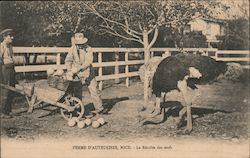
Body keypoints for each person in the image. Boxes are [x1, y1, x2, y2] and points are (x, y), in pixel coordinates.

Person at [65, 33, 104, 113]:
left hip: (89, 72)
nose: (80, 45)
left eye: (82, 43)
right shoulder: (72, 49)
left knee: (94, 89)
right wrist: (69, 71)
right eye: (78, 44)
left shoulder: (88, 49)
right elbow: (68, 60)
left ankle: (99, 108)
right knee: (77, 91)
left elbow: (88, 62)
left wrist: (80, 68)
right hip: (77, 74)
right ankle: (78, 107)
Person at [0, 29, 15, 119]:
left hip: (11, 69)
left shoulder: (10, 46)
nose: (12, 37)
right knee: (5, 90)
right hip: (4, 69)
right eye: (10, 36)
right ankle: (2, 112)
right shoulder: (1, 46)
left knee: (12, 89)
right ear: (5, 37)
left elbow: (11, 58)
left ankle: (8, 110)